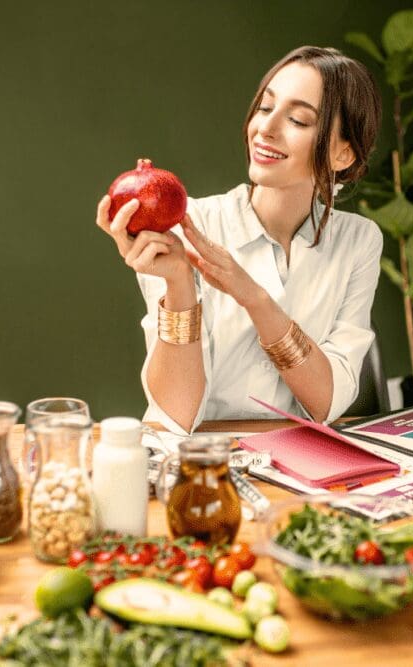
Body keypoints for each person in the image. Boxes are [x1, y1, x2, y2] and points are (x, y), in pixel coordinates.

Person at [96, 45, 383, 434]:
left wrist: (253, 297)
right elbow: (178, 416)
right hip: (198, 464)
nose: (266, 128)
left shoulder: (358, 241)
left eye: (298, 119)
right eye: (265, 108)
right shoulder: (184, 225)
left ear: (342, 154)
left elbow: (326, 403)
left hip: (298, 464)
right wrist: (179, 282)